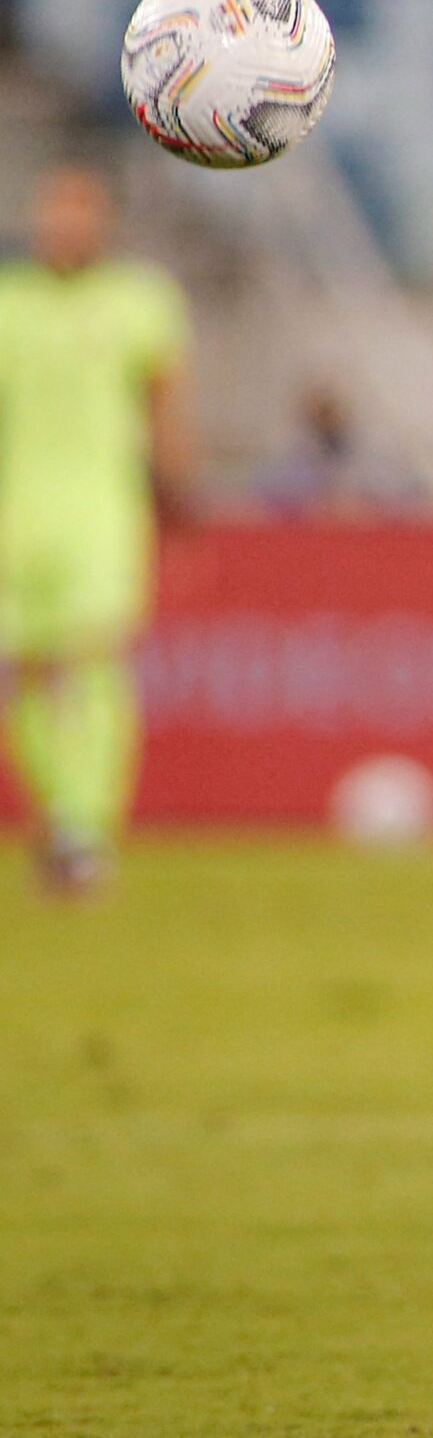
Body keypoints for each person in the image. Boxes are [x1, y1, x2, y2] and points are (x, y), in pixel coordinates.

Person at [0, 163, 194, 897]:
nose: (65, 226)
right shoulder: (9, 303)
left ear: (103, 222)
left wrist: (179, 496)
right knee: (26, 671)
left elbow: (167, 403)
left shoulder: (141, 301)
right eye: (54, 212)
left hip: (102, 513)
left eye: (79, 212)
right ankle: (58, 814)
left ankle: (87, 825)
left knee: (89, 663)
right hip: (16, 516)